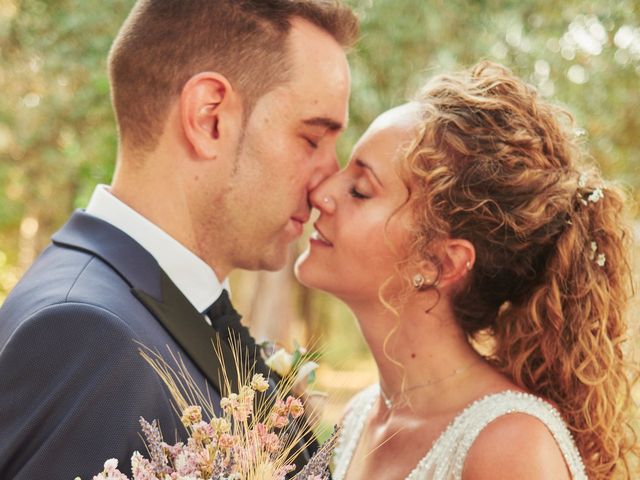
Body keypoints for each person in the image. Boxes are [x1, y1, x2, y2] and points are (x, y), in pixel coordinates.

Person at [0, 1, 358, 478]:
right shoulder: (90, 336)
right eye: (311, 139)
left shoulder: (161, 310)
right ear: (209, 118)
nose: (328, 183)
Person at [295, 61, 638, 479]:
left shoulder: (511, 447)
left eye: (361, 190)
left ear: (439, 263)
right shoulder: (357, 418)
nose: (322, 192)